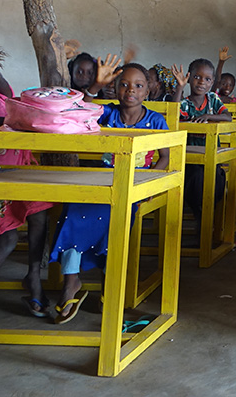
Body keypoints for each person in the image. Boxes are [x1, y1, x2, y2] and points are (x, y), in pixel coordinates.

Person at [50, 60, 170, 324]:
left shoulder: (155, 120)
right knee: (74, 208)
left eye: (138, 85)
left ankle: (109, 285)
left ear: (147, 91)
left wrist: (147, 184)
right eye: (124, 84)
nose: (131, 90)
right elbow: (79, 110)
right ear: (115, 88)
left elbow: (165, 156)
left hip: (133, 187)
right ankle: (71, 282)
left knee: (115, 218)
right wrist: (96, 86)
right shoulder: (106, 114)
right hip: (101, 182)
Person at [0, 45, 53, 326]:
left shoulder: (4, 102)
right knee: (8, 238)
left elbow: (3, 87)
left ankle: (33, 278)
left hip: (20, 173)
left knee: (40, 215)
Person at [171, 59, 234, 231]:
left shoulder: (213, 99)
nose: (201, 82)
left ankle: (207, 215)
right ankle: (201, 216)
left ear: (212, 82)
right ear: (189, 79)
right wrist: (179, 87)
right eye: (197, 77)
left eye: (207, 79)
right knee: (196, 177)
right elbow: (173, 115)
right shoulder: (185, 103)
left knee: (215, 178)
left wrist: (208, 117)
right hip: (189, 159)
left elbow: (228, 117)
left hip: (213, 157)